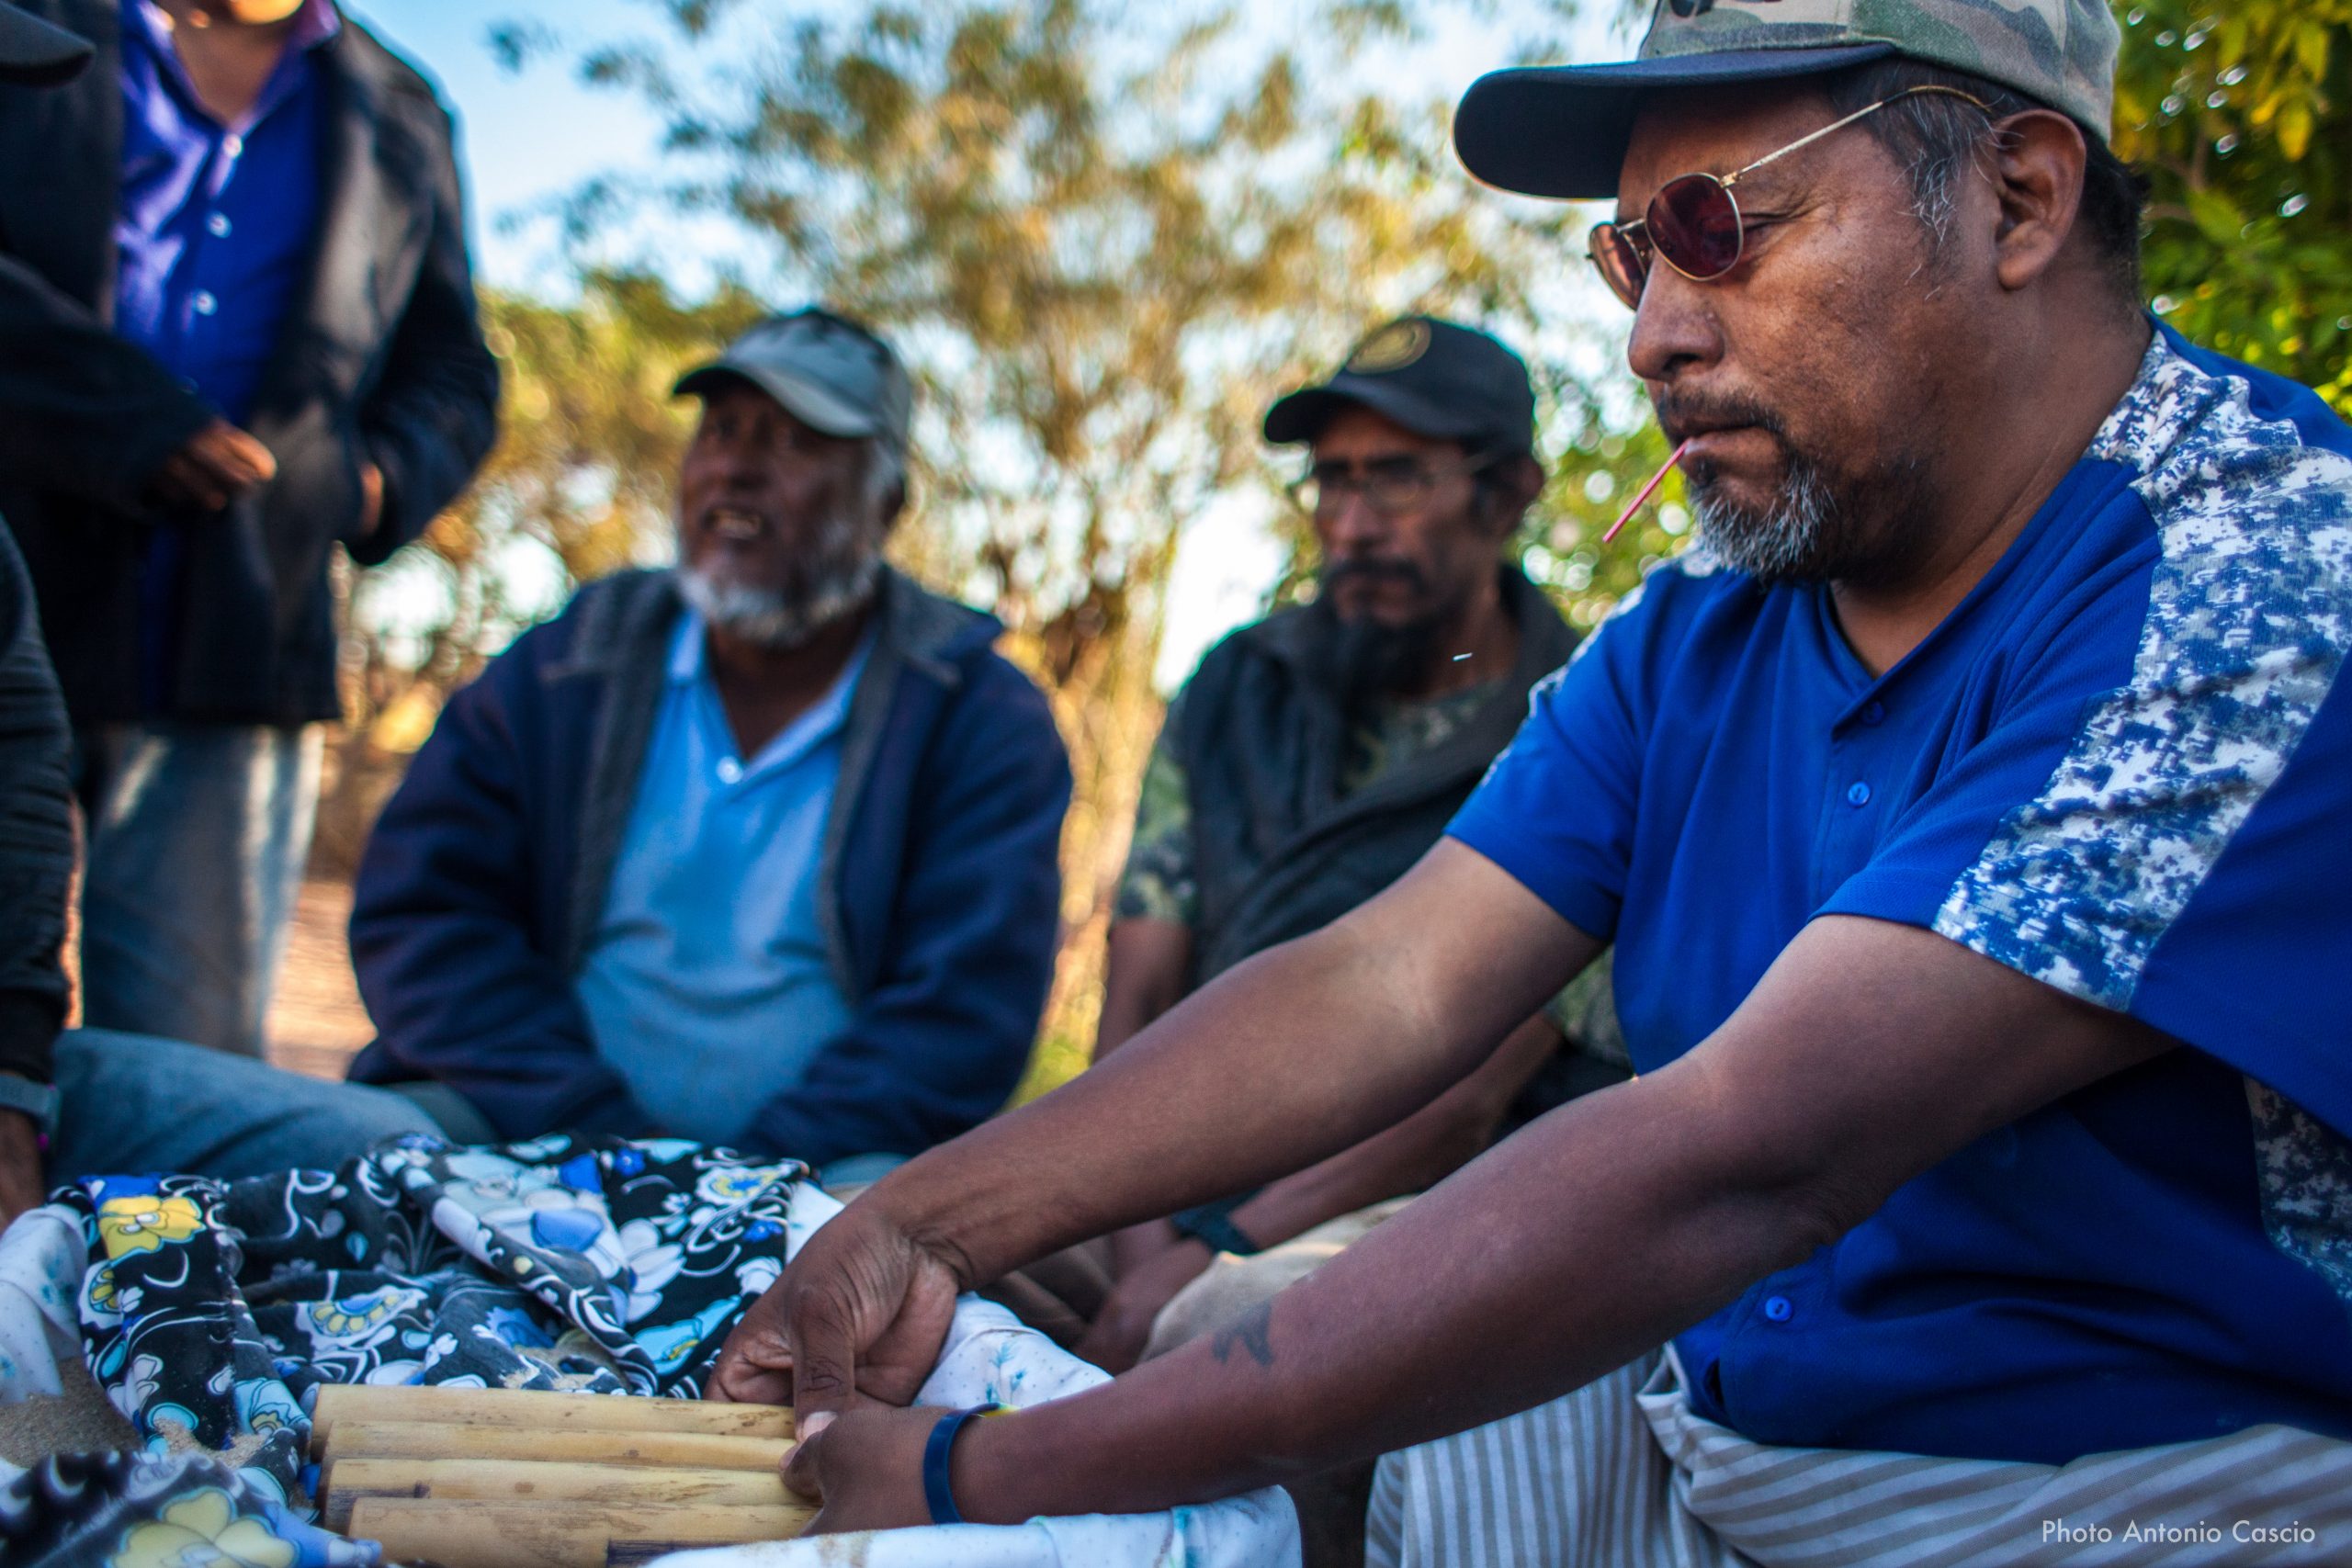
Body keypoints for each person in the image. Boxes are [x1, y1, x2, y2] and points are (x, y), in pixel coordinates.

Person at [708, 2, 2352, 1560]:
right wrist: (919, 1224)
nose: (1652, 335)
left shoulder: (2262, 571)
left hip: (2148, 1495)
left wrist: (969, 1470)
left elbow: (1749, 1150)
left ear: (2019, 196)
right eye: (1630, 252)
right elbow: (1388, 976)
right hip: (1728, 1424)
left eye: (1717, 226)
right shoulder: (1702, 627)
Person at [344, 310, 1073, 1190]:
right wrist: (603, 1141)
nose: (737, 467)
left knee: (884, 1254)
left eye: (795, 443)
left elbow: (961, 1020)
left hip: (818, 1174)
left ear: (885, 504)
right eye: (720, 432)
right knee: (343, 1154)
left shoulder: (979, 716)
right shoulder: (573, 661)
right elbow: (424, 916)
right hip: (528, 1132)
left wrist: (734, 1187)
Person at [1034, 318, 1616, 1376]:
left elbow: (1467, 1093)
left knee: (1237, 1340)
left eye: (1396, 482)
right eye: (1330, 484)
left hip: (1409, 1206)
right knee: (897, 1247)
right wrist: (1137, 1248)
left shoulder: (1586, 717)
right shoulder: (1235, 688)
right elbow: (1141, 990)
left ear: (1510, 492)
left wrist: (1215, 1254)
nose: (1349, 524)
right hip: (1160, 1188)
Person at [0, 1, 441, 1228]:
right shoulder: (40, 31)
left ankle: (117, 1378)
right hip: (41, 551)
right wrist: (125, 417)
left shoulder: (398, 109)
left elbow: (452, 365)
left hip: (238, 633)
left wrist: (360, 482)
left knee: (203, 1127)